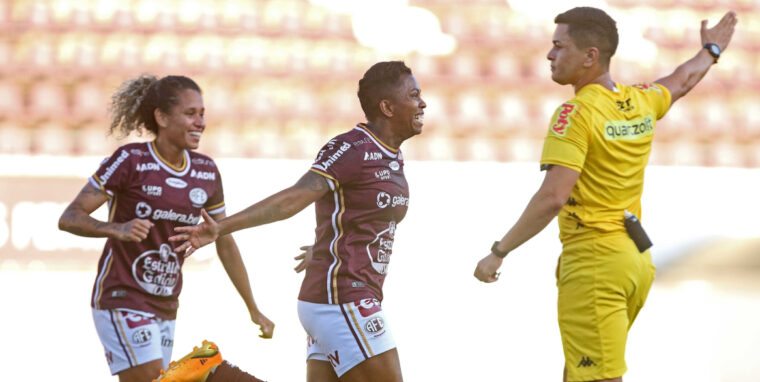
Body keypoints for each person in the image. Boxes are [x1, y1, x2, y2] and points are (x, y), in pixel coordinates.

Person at [474, 7, 737, 382]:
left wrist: (498, 252)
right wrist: (710, 51)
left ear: (590, 56)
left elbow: (553, 197)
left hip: (595, 263)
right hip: (634, 261)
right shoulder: (641, 100)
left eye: (559, 46)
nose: (550, 55)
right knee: (582, 370)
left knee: (597, 376)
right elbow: (682, 80)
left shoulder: (576, 114)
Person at [169, 60, 426, 382]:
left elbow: (355, 217)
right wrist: (221, 227)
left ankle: (210, 374)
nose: (423, 103)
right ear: (387, 106)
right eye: (414, 95)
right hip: (344, 298)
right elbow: (293, 199)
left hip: (337, 296)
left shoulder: (390, 154)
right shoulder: (352, 148)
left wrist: (326, 246)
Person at [58, 74, 274, 382]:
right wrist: (116, 229)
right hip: (122, 296)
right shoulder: (130, 160)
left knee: (161, 379)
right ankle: (214, 373)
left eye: (202, 114)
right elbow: (70, 217)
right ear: (161, 117)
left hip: (166, 303)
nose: (200, 122)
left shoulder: (206, 172)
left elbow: (223, 239)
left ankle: (207, 370)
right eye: (190, 113)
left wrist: (253, 307)